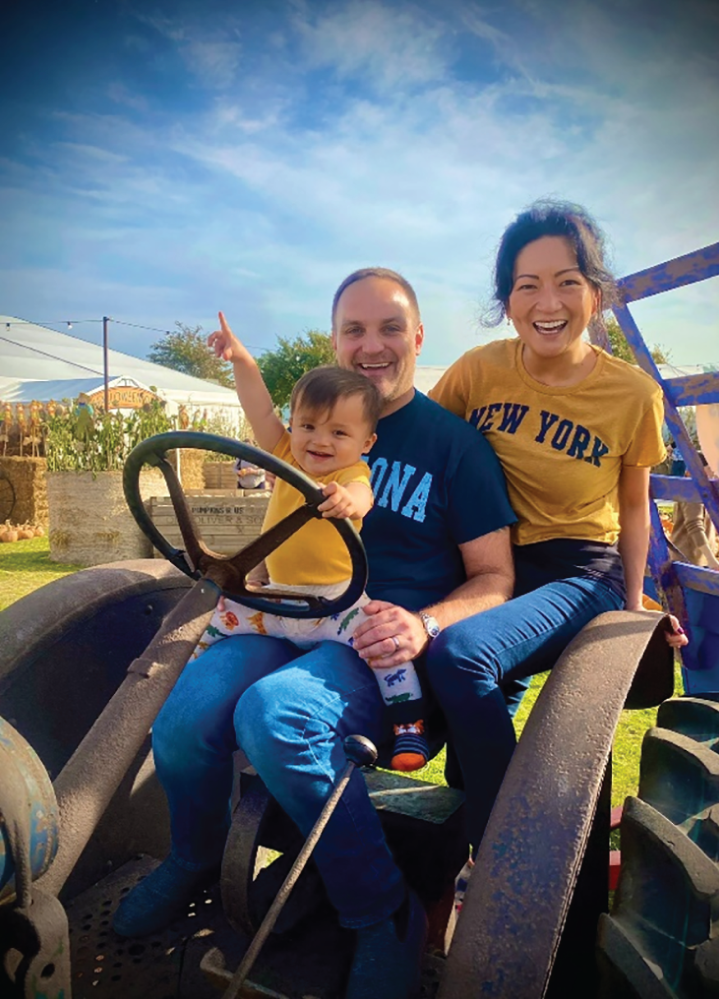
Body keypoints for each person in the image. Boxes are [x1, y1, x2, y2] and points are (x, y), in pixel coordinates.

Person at [113, 268, 517, 999]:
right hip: (287, 615)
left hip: (372, 647)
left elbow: (495, 577)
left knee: (276, 714)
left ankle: (379, 908)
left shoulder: (455, 448)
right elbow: (263, 420)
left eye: (390, 327)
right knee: (183, 712)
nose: (372, 344)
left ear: (417, 338)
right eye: (354, 330)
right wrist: (240, 363)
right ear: (334, 341)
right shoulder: (304, 431)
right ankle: (195, 856)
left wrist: (425, 624)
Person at [426, 199, 688, 856]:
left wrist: (630, 612)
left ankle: (510, 858)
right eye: (527, 284)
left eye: (568, 281)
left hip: (581, 569)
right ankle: (446, 866)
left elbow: (635, 506)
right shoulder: (476, 372)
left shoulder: (632, 395)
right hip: (494, 567)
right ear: (507, 300)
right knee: (465, 749)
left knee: (461, 655)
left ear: (595, 295)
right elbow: (417, 450)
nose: (549, 300)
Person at [193, 334, 429, 771]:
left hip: (335, 604)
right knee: (212, 623)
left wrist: (346, 501)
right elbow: (260, 409)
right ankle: (178, 690)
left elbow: (363, 497)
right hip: (276, 598)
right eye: (308, 427)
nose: (319, 441)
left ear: (367, 442)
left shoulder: (352, 472)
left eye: (339, 432)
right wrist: (242, 358)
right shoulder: (285, 455)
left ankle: (408, 725)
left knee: (385, 647)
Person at [671, 454, 719, 570]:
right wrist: (711, 559)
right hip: (690, 558)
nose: (713, 473)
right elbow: (694, 525)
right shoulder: (693, 491)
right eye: (710, 469)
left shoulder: (703, 490)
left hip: (696, 558)